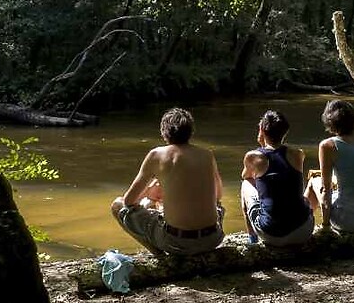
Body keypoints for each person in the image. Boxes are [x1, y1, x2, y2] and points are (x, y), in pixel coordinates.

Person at [110, 108, 225, 255]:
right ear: (191, 131)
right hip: (213, 239)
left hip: (176, 242)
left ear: (164, 133)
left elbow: (129, 201)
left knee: (117, 205)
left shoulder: (156, 155)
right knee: (218, 207)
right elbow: (218, 196)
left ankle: (158, 255)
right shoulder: (207, 154)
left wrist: (150, 188)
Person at [304, 99, 354, 232]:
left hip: (348, 220)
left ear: (330, 123)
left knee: (314, 181)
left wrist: (325, 227)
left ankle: (304, 223)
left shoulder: (328, 145)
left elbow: (326, 190)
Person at [240, 110, 314, 247]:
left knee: (245, 184)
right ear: (285, 132)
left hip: (271, 234)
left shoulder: (253, 157)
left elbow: (246, 176)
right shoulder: (298, 154)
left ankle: (252, 239)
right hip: (303, 231)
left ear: (261, 130)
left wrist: (262, 146)